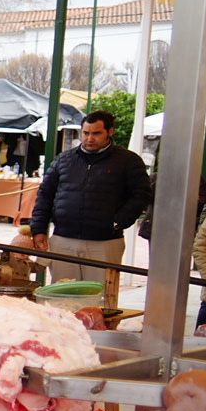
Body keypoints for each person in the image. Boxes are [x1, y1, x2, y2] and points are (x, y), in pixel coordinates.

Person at [28, 110, 151, 286]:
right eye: (86, 133)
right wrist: (38, 229)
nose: (90, 138)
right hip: (63, 240)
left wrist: (117, 222)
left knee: (98, 300)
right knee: (62, 297)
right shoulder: (63, 160)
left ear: (110, 132)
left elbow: (141, 195)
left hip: (105, 242)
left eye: (96, 133)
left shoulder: (128, 161)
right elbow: (45, 195)